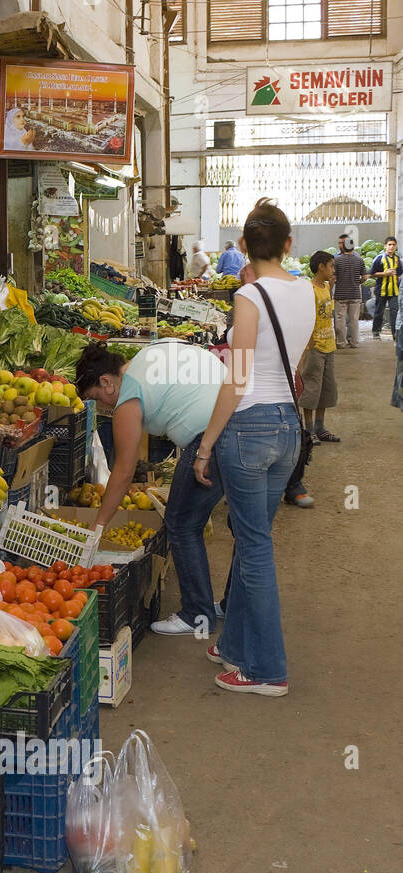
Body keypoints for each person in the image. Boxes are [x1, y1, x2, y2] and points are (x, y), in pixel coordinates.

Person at [194, 200, 310, 697]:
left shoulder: (249, 298)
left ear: (243, 247)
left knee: (255, 548)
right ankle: (236, 644)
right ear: (288, 245)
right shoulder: (306, 290)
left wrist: (205, 446)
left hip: (248, 429)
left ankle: (266, 670)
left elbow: (237, 380)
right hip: (289, 428)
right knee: (253, 539)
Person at [78, 340, 227, 639]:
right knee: (245, 530)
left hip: (210, 439)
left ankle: (196, 614)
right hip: (240, 416)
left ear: (106, 382)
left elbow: (122, 472)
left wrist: (98, 525)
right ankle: (230, 604)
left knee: (181, 523)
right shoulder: (143, 358)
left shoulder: (127, 401)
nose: (104, 406)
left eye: (98, 397)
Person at [299, 249, 339, 450]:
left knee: (326, 388)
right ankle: (309, 430)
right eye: (331, 265)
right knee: (311, 388)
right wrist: (308, 346)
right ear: (321, 266)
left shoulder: (326, 286)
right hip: (315, 347)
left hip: (329, 345)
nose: (333, 269)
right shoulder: (309, 289)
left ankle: (321, 428)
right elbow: (306, 318)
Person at [331, 233, 366, 349]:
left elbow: (333, 278)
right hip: (355, 294)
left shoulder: (337, 261)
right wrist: (357, 283)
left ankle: (341, 343)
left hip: (340, 294)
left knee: (340, 320)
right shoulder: (360, 260)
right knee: (354, 320)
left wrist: (329, 290)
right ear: (353, 246)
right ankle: (354, 342)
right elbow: (365, 277)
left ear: (343, 246)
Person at [369, 236, 399, 340]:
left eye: (393, 245)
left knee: (395, 313)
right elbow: (372, 274)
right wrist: (385, 274)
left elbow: (399, 273)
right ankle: (376, 332)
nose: (391, 247)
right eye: (389, 245)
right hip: (381, 291)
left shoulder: (397, 259)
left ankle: (395, 334)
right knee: (379, 312)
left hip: (394, 291)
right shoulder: (379, 258)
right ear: (385, 246)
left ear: (396, 246)